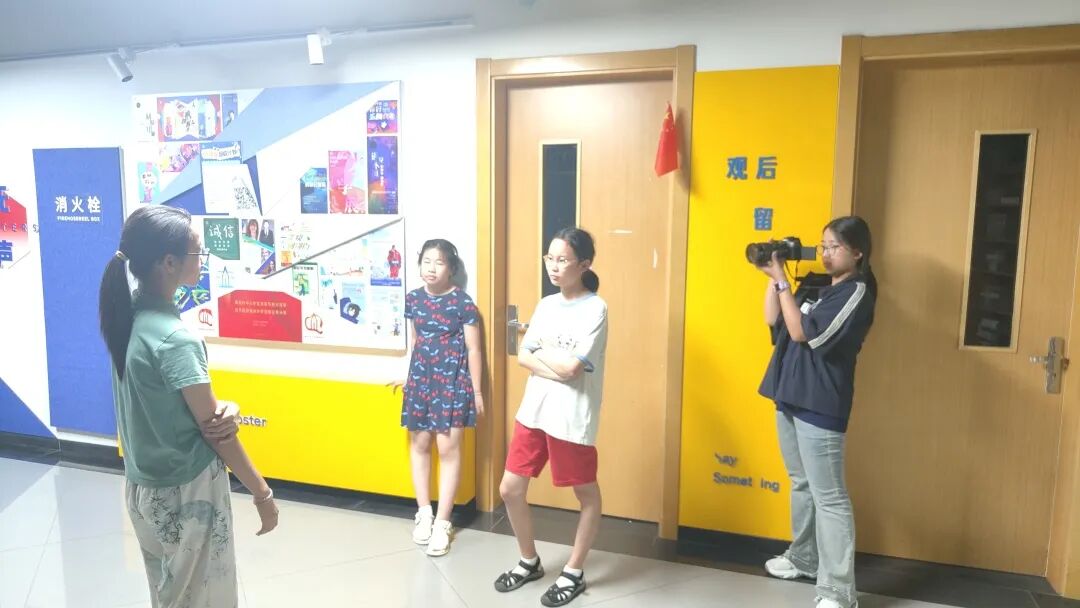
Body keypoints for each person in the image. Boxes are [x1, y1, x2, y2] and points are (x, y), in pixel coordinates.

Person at [99, 205, 279, 608]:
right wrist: (262, 494)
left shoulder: (127, 318)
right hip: (188, 493)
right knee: (205, 599)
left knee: (170, 596)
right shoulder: (175, 339)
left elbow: (169, 403)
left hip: (143, 488)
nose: (202, 260)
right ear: (169, 263)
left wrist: (223, 407)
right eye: (197, 252)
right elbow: (218, 433)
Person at [756, 216, 878, 608]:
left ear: (857, 252)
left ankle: (838, 590)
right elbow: (774, 319)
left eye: (834, 247)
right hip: (790, 395)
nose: (825, 253)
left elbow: (802, 333)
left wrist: (782, 280)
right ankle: (804, 557)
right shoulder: (815, 284)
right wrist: (773, 276)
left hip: (820, 404)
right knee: (801, 483)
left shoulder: (856, 292)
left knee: (830, 498)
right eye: (823, 245)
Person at [494, 227, 607, 607]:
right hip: (534, 410)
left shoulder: (596, 308)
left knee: (586, 493)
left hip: (571, 416)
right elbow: (523, 357)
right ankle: (529, 561)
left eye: (562, 260)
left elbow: (573, 369)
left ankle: (574, 571)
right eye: (550, 258)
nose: (554, 267)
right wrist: (552, 364)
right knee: (510, 489)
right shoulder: (546, 305)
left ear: (584, 265)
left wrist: (544, 357)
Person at [391, 239, 484, 556]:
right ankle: (424, 513)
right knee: (419, 445)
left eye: (439, 262)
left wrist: (477, 391)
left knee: (448, 449)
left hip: (453, 382)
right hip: (421, 381)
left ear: (451, 268)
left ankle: (443, 522)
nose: (431, 268)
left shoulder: (463, 303)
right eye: (427, 261)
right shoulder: (414, 299)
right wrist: (409, 377)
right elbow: (416, 341)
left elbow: (474, 349)